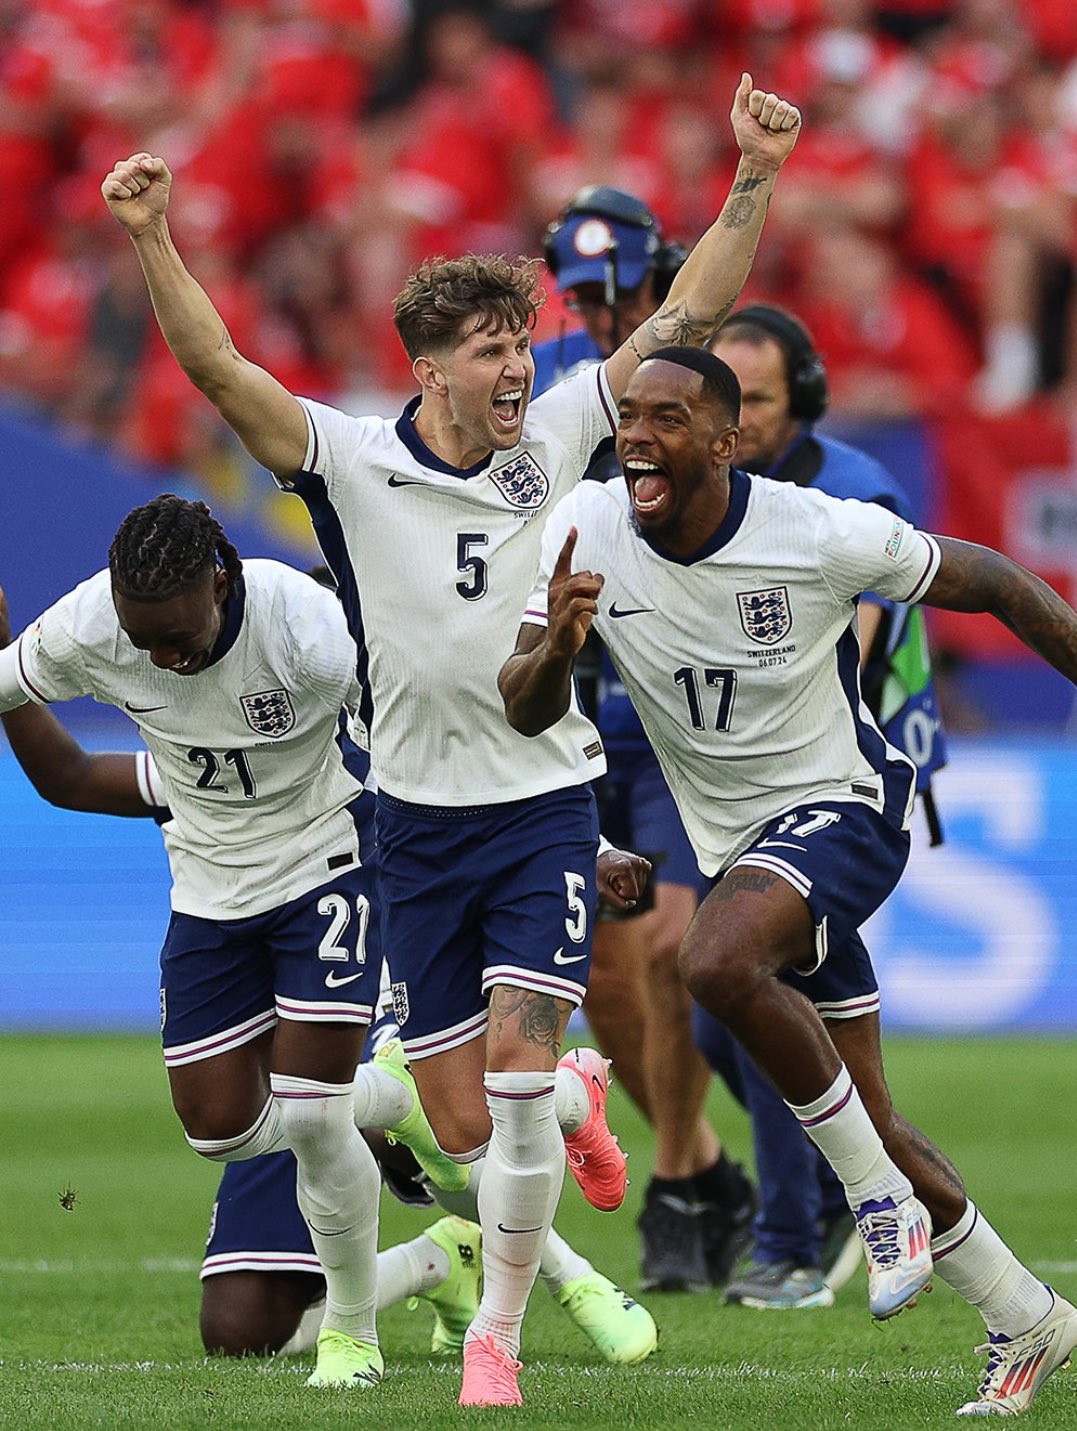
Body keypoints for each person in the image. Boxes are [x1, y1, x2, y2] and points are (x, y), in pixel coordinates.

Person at [102, 72, 802, 1407]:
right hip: (408, 826)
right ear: (429, 366)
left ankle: (497, 1339)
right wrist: (150, 237)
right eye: (489, 349)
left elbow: (687, 316)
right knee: (468, 1118)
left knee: (517, 1086)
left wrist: (752, 177)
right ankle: (585, 1103)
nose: (515, 366)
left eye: (520, 343)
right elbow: (216, 371)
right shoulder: (354, 461)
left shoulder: (557, 432)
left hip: (543, 799)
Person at [499, 345, 1077, 1415]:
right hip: (740, 849)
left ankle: (873, 1206)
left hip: (847, 811)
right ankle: (1026, 1314)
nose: (635, 435)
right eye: (629, 415)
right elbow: (523, 706)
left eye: (667, 418)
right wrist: (557, 647)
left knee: (709, 959)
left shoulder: (813, 530)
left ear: (725, 441)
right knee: (873, 1113)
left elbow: (993, 581)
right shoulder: (580, 529)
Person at [0, 579, 658, 1369]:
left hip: (379, 1013)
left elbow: (498, 801)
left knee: (426, 1117)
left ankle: (564, 1267)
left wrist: (592, 848)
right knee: (241, 1329)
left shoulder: (387, 767)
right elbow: (70, 777)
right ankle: (445, 1258)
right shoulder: (209, 761)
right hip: (283, 1057)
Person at [0, 495, 469, 1389]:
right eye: (145, 643)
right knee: (222, 1139)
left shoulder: (314, 641)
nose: (162, 660)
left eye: (177, 636)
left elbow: (423, 748)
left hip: (327, 870)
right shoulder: (97, 636)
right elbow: (52, 750)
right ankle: (395, 1113)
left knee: (312, 1106)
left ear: (224, 582)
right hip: (213, 906)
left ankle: (356, 1334)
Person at [692, 302, 950, 1310]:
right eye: (725, 396)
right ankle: (851, 1175)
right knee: (723, 1019)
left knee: (752, 979)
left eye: (756, 397)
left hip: (852, 772)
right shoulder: (709, 490)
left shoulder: (851, 487)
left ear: (802, 395)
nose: (738, 416)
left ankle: (793, 1242)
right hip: (754, 781)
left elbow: (871, 642)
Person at [535, 187, 756, 1294]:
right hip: (564, 707)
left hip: (668, 703)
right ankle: (707, 1162)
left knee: (674, 950)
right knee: (606, 986)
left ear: (652, 276)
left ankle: (672, 1185)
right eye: (581, 290)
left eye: (618, 286)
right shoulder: (536, 390)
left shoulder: (683, 379)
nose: (602, 306)